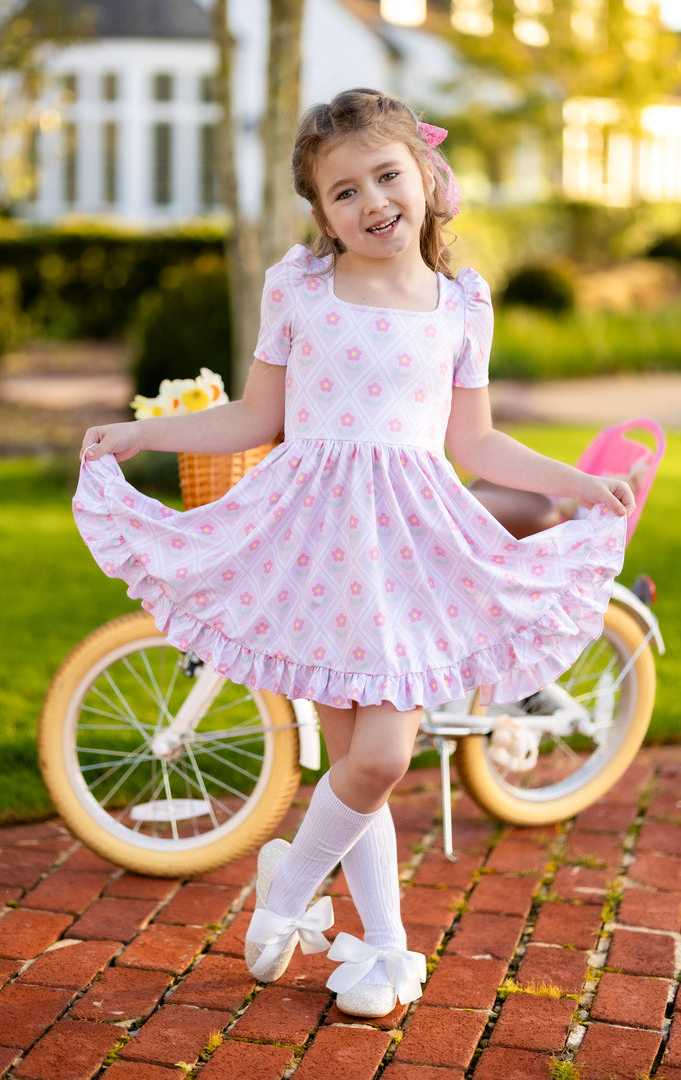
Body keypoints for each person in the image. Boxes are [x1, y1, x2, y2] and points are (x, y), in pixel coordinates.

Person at [76, 88, 634, 1019]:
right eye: (345, 191)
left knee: (379, 757)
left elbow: (476, 443)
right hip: (313, 548)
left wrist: (578, 483)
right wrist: (142, 436)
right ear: (323, 213)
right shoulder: (300, 288)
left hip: (408, 552)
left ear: (426, 177)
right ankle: (383, 946)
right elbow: (257, 417)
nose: (372, 201)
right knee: (354, 764)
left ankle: (285, 893)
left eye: (386, 175)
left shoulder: (461, 305)